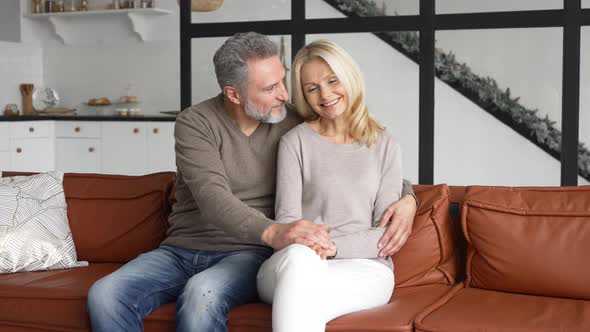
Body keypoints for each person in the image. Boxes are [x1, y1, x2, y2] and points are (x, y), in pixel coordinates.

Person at [87, 32, 417, 332]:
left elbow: (355, 158)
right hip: (181, 249)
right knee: (105, 294)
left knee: (203, 294)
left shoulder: (291, 122)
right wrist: (275, 232)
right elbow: (211, 195)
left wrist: (408, 196)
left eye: (283, 82)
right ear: (234, 93)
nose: (285, 95)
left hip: (246, 254)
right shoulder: (196, 123)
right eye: (270, 88)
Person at [257, 39, 403, 332]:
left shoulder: (384, 144)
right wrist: (313, 249)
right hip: (293, 262)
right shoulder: (294, 142)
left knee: (300, 302)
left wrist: (334, 248)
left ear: (350, 77)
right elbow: (287, 221)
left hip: (366, 269)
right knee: (301, 262)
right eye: (312, 88)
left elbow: (384, 234)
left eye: (332, 80)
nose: (325, 94)